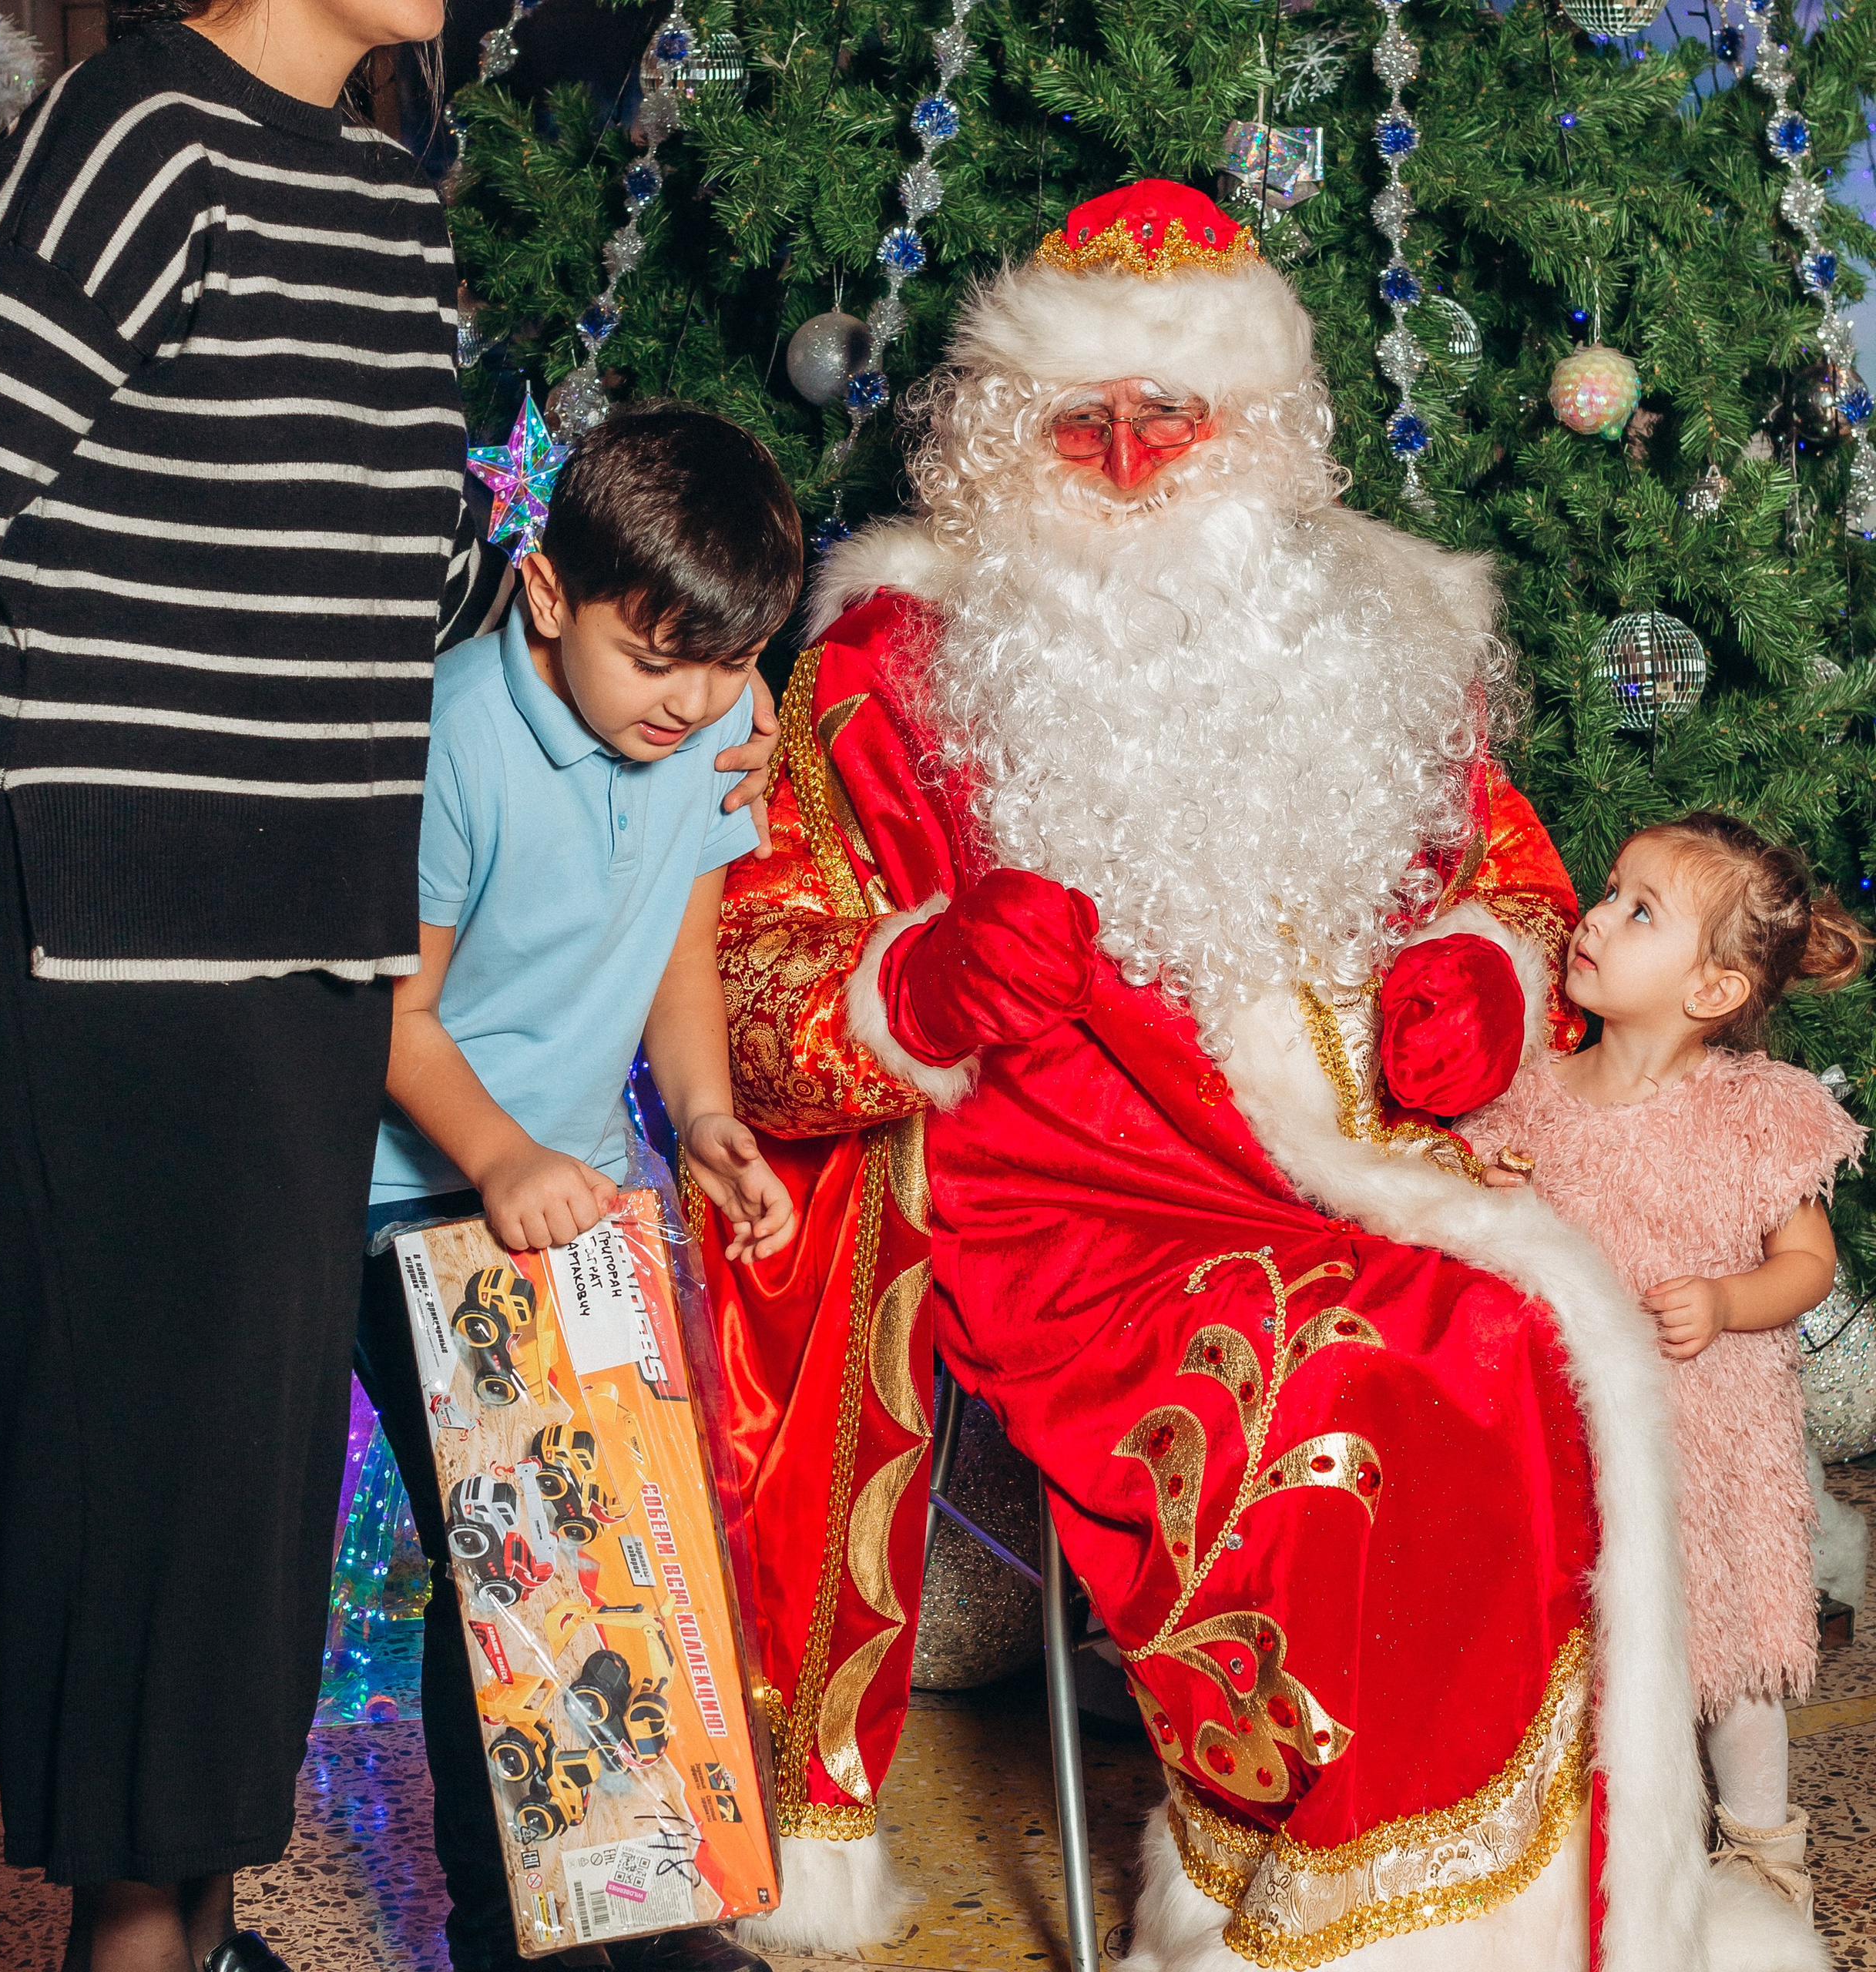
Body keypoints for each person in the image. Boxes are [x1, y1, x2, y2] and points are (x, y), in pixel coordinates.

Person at [699, 180, 1753, 1972]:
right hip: (1056, 1190)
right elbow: (753, 977)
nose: (1123, 459)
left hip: (1355, 1151)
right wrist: (920, 978)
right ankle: (1306, 1906)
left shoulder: (1380, 626)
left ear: (1252, 425)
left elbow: (1506, 880)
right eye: (1079, 418)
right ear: (995, 435)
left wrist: (1477, 986)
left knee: (1498, 1334)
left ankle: (1512, 1910)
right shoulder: (889, 662)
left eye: (1167, 416)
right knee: (1353, 1370)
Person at [0, 12, 774, 1972]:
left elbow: (418, 565)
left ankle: (198, 1941)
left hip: (309, 938)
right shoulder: (121, 137)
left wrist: (708, 679)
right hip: (97, 934)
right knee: (145, 1536)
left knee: (234, 1541)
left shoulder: (382, 191)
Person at [357, 405, 800, 1972]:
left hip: (580, 1194)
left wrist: (700, 1118)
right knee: (514, 1565)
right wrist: (496, 1160)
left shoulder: (702, 726)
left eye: (730, 662)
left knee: (626, 1541)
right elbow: (392, 1012)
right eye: (656, 655)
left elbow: (680, 940)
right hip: (416, 1200)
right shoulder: (456, 737)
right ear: (547, 593)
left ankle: (654, 1897)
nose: (688, 702)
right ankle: (515, 1929)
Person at [1467, 812, 1866, 1942]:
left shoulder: (1754, 1113)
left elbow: (1806, 1262)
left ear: (1712, 992)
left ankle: (1762, 1844)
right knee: (1589, 1648)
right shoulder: (1534, 1096)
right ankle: (1593, 1845)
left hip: (1713, 1441)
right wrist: (1487, 1193)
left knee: (1731, 1660)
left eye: (1640, 911)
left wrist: (1728, 1301)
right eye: (1609, 891)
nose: (1594, 915)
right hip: (1570, 1440)